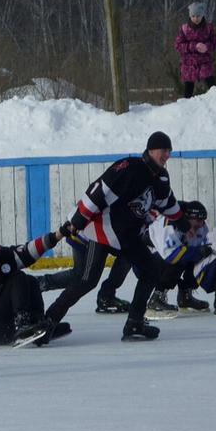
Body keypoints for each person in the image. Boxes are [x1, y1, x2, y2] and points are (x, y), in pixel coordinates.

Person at [60, 131, 183, 341]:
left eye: (169, 151)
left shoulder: (159, 177)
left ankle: (131, 320)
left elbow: (167, 203)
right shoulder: (131, 168)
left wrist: (183, 222)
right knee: (85, 279)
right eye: (164, 151)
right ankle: (48, 316)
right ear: (151, 150)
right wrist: (79, 220)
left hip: (120, 235)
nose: (167, 155)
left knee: (144, 268)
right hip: (95, 230)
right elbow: (98, 191)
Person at [145, 200, 212, 319]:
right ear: (186, 218)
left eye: (203, 220)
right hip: (147, 261)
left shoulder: (201, 227)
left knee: (200, 258)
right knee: (179, 259)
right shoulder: (168, 224)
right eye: (197, 220)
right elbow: (171, 255)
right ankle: (156, 299)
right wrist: (199, 251)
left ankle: (185, 296)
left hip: (166, 258)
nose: (201, 225)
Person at [37, 241, 131, 315]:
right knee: (82, 276)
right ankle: (39, 284)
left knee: (128, 255)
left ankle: (106, 296)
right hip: (86, 234)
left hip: (102, 236)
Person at [175, 1, 216, 99]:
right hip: (188, 64)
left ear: (202, 15)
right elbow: (178, 45)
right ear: (190, 16)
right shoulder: (184, 29)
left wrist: (207, 47)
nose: (196, 18)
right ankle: (184, 109)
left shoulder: (209, 28)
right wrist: (193, 46)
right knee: (188, 89)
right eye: (193, 16)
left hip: (205, 62)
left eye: (198, 16)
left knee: (212, 85)